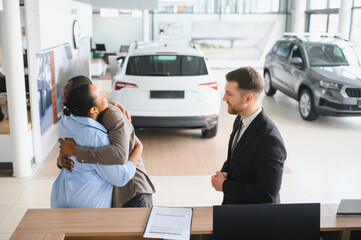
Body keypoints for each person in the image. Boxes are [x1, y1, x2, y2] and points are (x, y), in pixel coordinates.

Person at [58, 76, 155, 208]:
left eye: (67, 94)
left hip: (132, 191)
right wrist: (61, 159)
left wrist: (76, 152)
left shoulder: (112, 116)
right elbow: (67, 147)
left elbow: (119, 156)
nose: (64, 100)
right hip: (114, 192)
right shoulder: (75, 118)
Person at [211, 67, 287, 204]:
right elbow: (235, 158)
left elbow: (267, 194)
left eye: (229, 94)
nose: (224, 98)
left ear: (248, 98)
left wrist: (224, 185)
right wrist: (224, 172)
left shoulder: (270, 140)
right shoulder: (240, 120)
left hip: (254, 219)